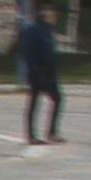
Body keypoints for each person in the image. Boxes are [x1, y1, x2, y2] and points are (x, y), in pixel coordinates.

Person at [16, 12, 65, 144]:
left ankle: (41, 134)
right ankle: (44, 133)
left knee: (40, 101)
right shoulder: (37, 31)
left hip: (44, 72)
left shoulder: (46, 31)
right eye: (52, 16)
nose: (55, 18)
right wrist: (35, 68)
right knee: (44, 100)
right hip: (40, 72)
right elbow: (30, 52)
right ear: (46, 17)